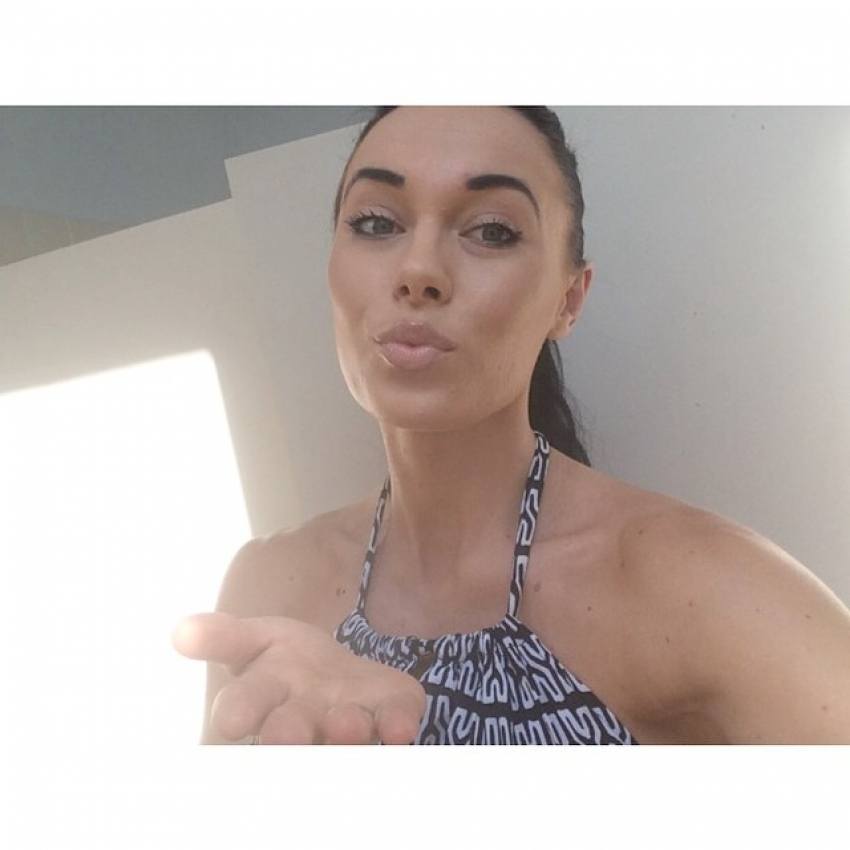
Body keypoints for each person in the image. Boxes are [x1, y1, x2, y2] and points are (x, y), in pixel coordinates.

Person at [172, 106, 850, 744]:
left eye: (492, 231)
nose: (418, 271)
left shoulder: (691, 588)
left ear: (568, 299)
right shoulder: (266, 587)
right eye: (376, 223)